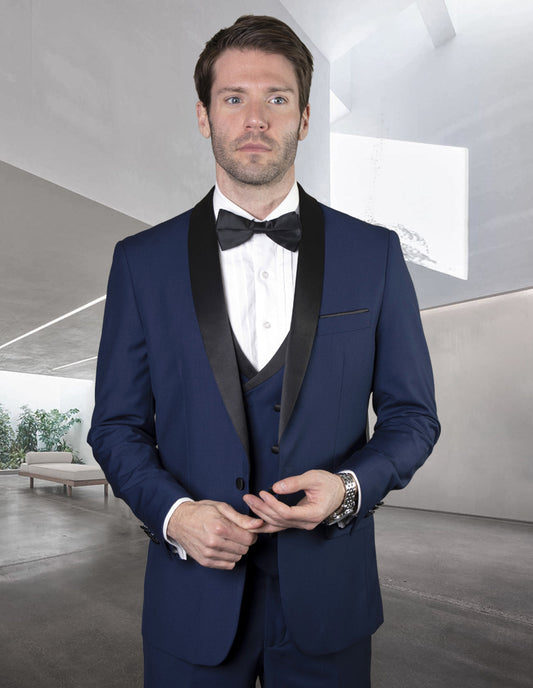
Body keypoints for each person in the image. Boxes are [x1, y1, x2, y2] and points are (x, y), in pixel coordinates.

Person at [88, 14, 440, 688]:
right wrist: (174, 514)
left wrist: (347, 488)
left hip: (330, 602)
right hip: (191, 600)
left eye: (276, 99)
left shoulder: (375, 254)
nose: (255, 118)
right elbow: (117, 425)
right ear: (203, 116)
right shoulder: (140, 262)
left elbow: (411, 416)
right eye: (234, 98)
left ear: (304, 118)